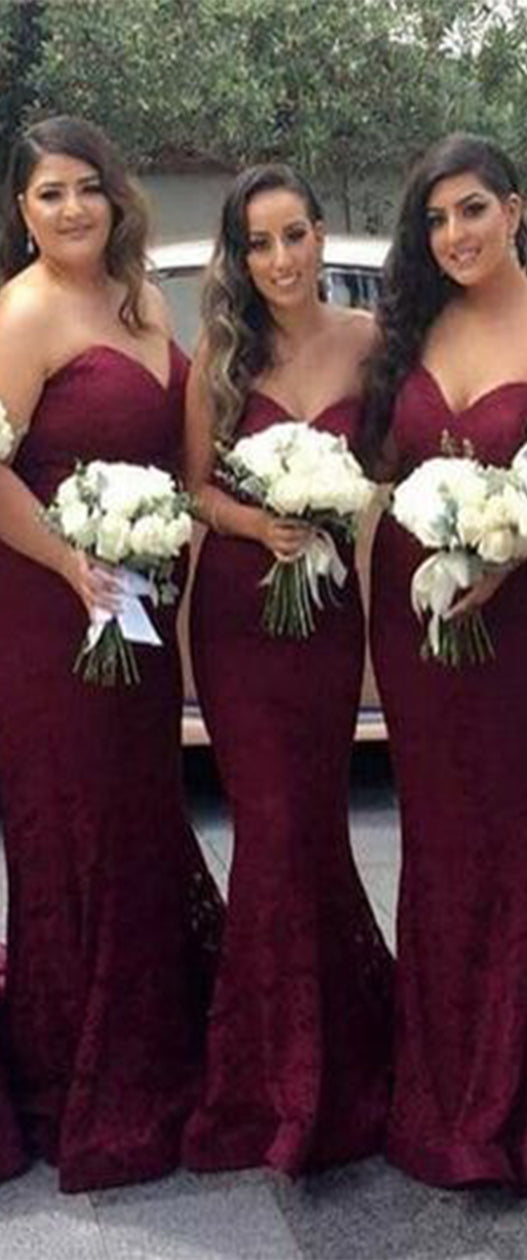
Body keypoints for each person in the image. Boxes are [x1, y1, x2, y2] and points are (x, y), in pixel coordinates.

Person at [365, 132, 527, 1193]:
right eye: (435, 218)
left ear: (515, 209)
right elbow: (380, 457)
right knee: (437, 828)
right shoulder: (412, 323)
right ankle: (442, 1077)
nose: (453, 234)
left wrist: (502, 562)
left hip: (523, 621)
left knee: (514, 833)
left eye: (471, 210)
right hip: (413, 609)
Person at [0, 115, 223, 1192]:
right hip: (55, 612)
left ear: (115, 195)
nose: (73, 208)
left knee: (139, 815)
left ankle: (156, 1048)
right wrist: (68, 562)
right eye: (50, 193)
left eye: (88, 186)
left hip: (138, 611)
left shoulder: (140, 299)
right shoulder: (21, 313)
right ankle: (77, 1068)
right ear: (22, 210)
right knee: (74, 822)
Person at [182, 163, 393, 1175]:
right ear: (241, 256)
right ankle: (268, 1079)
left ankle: (346, 1047)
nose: (280, 260)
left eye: (294, 235)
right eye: (258, 244)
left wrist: (346, 500)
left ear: (319, 234)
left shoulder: (367, 340)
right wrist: (254, 521)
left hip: (326, 625)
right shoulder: (223, 352)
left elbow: (391, 461)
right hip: (238, 616)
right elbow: (194, 489)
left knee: (314, 825)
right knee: (266, 831)